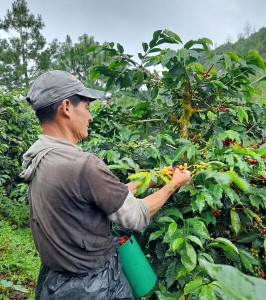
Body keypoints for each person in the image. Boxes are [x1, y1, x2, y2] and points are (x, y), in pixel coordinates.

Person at [20, 70, 191, 299]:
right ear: (67, 107)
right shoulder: (84, 165)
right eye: (87, 108)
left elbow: (100, 197)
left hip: (54, 281)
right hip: (94, 287)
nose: (90, 117)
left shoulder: (39, 159)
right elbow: (136, 215)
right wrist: (173, 185)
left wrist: (152, 180)